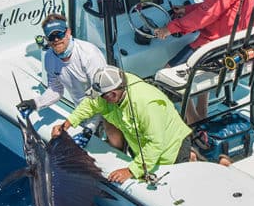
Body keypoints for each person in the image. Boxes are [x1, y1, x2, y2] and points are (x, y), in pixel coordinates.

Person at [153, 0, 254, 123]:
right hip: (236, 44)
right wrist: (188, 9)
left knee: (165, 77)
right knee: (197, 73)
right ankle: (202, 114)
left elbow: (206, 15)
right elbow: (216, 6)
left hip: (216, 47)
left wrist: (170, 28)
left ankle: (195, 126)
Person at [52, 65, 196, 184]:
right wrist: (67, 124)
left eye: (103, 96)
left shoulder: (146, 105)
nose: (101, 99)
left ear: (113, 94)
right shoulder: (111, 86)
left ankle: (190, 159)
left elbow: (156, 144)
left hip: (171, 150)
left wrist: (131, 171)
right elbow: (91, 104)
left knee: (177, 187)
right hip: (142, 147)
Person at [34, 13, 108, 142]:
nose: (56, 40)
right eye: (52, 36)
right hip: (81, 116)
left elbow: (102, 95)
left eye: (60, 34)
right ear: (47, 39)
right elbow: (56, 89)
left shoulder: (89, 54)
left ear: (68, 32)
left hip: (105, 113)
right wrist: (34, 104)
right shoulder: (49, 57)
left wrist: (91, 127)